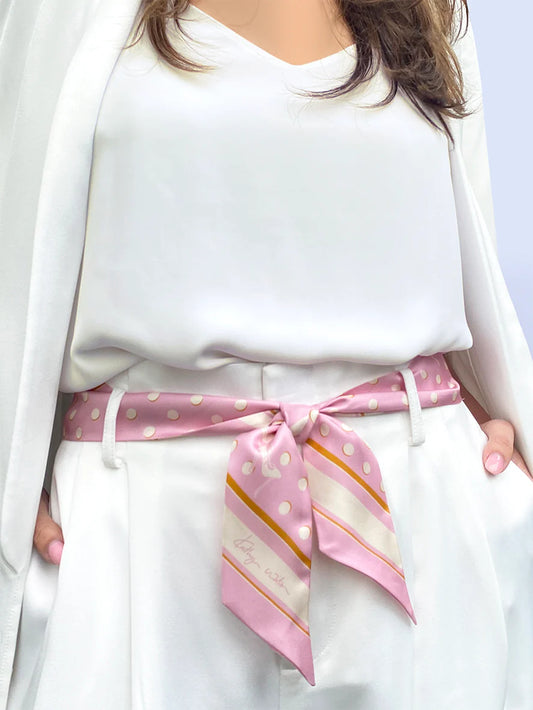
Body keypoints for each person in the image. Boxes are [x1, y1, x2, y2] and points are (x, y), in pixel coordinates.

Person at [1, 0, 533, 707]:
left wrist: (492, 445)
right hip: (140, 524)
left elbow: (474, 271)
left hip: (418, 511)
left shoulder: (434, 11)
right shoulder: (57, 12)